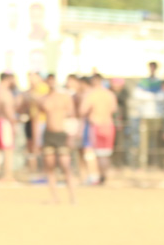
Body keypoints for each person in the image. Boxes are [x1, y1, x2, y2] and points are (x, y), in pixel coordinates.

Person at [38, 76, 77, 204]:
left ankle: (72, 196)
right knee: (50, 167)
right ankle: (55, 197)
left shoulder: (65, 98)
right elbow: (38, 119)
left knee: (66, 165)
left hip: (62, 134)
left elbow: (72, 116)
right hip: (48, 135)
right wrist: (37, 140)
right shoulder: (43, 99)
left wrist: (71, 136)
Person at [79, 74, 118, 184]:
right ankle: (103, 176)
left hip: (95, 125)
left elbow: (82, 110)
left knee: (90, 152)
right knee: (105, 154)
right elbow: (114, 109)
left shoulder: (91, 94)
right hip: (109, 125)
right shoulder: (110, 94)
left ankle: (93, 176)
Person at [0, 73, 18, 182]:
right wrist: (13, 123)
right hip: (4, 122)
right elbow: (7, 109)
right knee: (8, 150)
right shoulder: (5, 93)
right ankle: (7, 175)